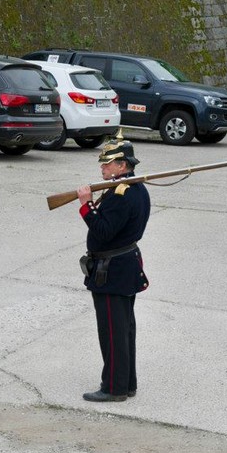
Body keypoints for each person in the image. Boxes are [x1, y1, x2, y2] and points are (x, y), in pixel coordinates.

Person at [76, 139, 150, 402]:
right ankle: (126, 383)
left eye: (107, 164)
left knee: (113, 332)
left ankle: (114, 388)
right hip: (123, 265)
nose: (102, 168)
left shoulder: (122, 193)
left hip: (113, 271)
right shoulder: (132, 188)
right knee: (124, 329)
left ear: (122, 165)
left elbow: (104, 231)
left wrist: (86, 205)